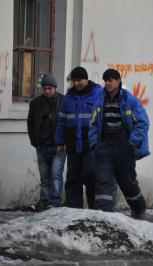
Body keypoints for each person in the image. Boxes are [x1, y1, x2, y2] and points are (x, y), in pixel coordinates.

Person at [89, 69, 149, 219]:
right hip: (104, 145)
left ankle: (139, 207)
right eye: (105, 81)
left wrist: (131, 144)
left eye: (110, 80)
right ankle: (104, 215)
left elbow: (143, 123)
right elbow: (93, 123)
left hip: (124, 146)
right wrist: (94, 143)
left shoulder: (130, 100)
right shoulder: (100, 99)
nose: (107, 83)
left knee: (126, 181)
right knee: (103, 180)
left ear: (118, 81)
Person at [55, 66, 101, 208]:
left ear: (86, 79)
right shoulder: (68, 98)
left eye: (79, 80)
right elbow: (62, 122)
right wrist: (60, 143)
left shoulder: (98, 94)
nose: (76, 83)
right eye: (73, 81)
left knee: (90, 176)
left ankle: (95, 211)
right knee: (73, 179)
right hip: (73, 145)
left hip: (91, 145)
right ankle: (74, 212)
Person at [27, 73, 65, 210]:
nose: (47, 91)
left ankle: (55, 203)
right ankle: (47, 202)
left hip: (58, 147)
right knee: (44, 178)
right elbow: (30, 123)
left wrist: (63, 143)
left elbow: (66, 123)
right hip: (42, 146)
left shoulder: (62, 101)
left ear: (55, 88)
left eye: (50, 88)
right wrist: (34, 142)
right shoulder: (36, 103)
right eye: (45, 88)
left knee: (56, 175)